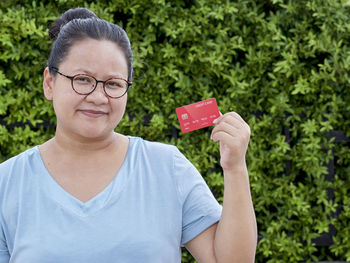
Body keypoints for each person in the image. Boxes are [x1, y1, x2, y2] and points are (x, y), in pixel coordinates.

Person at [0, 7, 257, 263]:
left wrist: (235, 168)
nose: (98, 97)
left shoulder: (167, 168)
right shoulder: (7, 182)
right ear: (49, 83)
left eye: (113, 84)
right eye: (82, 79)